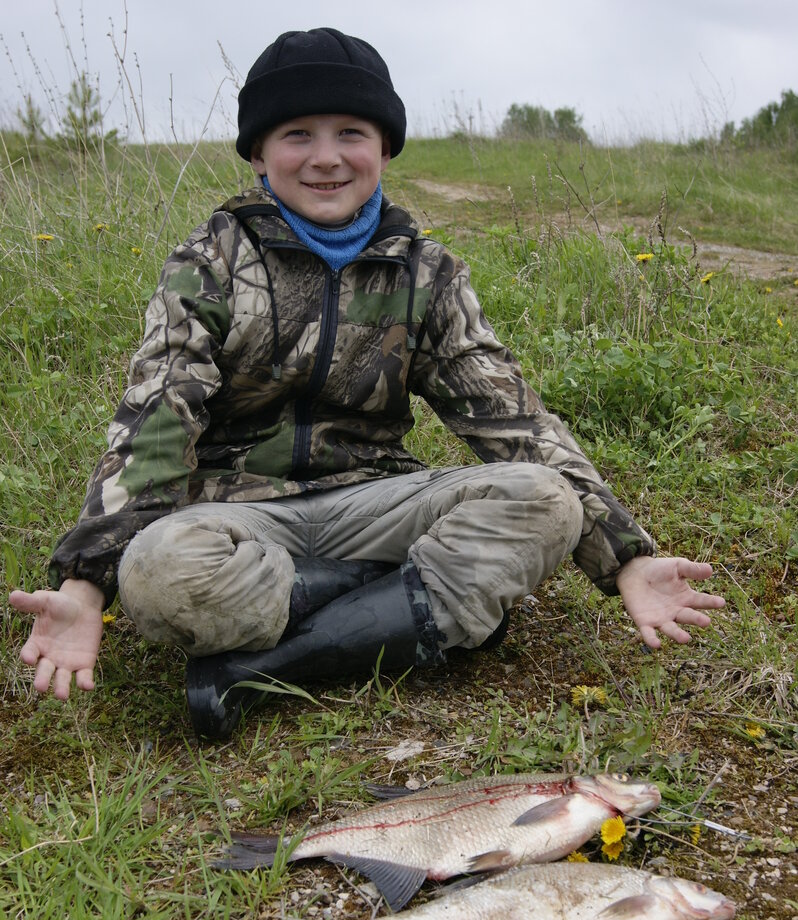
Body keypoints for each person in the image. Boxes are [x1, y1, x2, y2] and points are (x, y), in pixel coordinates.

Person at [9, 27, 724, 740]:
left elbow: (510, 419)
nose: (326, 158)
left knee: (544, 500)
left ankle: (265, 661)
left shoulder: (429, 274)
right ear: (259, 155)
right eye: (297, 134)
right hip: (236, 514)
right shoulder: (211, 260)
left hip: (373, 502)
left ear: (384, 149)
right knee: (158, 576)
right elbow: (158, 414)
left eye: (351, 132)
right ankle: (400, 608)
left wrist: (627, 558)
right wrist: (85, 582)